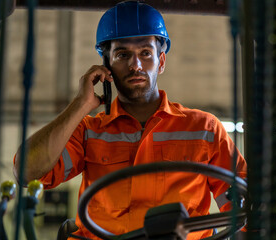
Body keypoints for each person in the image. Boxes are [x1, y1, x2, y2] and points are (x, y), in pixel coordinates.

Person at [13, 1, 247, 239]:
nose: (135, 65)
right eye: (122, 54)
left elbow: (246, 210)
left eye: (145, 53)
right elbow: (27, 171)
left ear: (161, 62)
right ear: (106, 66)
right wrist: (79, 106)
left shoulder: (204, 128)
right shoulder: (89, 131)